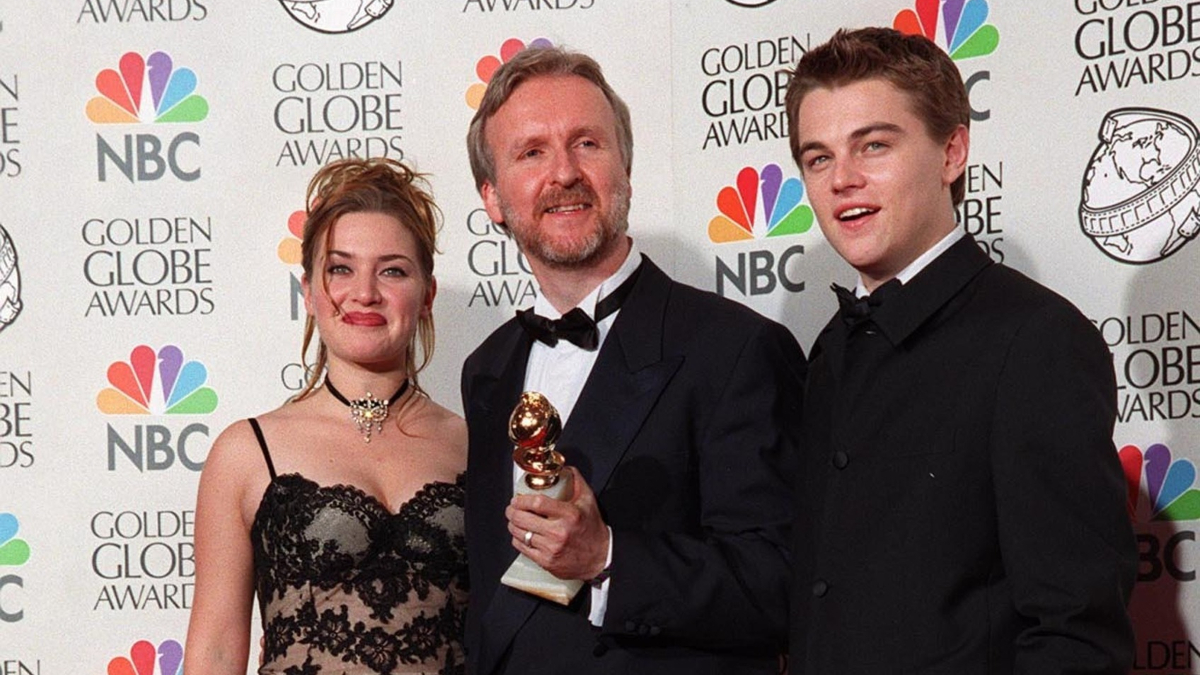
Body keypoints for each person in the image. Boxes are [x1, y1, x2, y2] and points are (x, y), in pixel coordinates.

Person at [784, 27, 1136, 674]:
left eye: (874, 145)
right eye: (818, 158)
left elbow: (1077, 634)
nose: (843, 179)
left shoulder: (1036, 342)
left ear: (952, 153)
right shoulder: (831, 350)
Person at [460, 45, 806, 675]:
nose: (563, 172)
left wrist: (608, 557)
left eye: (587, 144)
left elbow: (782, 586)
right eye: (531, 152)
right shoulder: (486, 370)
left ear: (625, 167)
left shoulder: (734, 349)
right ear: (492, 197)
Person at [183, 157, 468, 674]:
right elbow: (216, 652)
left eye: (393, 270)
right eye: (341, 268)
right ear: (309, 293)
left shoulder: (476, 445)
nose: (364, 292)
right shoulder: (247, 451)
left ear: (426, 295)